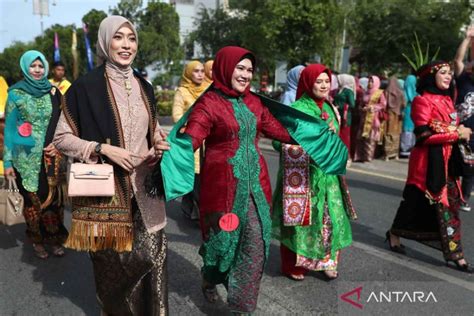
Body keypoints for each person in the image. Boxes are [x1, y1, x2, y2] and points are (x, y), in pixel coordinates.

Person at [158, 47, 347, 314]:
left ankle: (241, 307)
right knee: (222, 246)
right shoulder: (209, 103)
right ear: (226, 68)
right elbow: (193, 137)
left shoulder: (254, 103)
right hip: (222, 191)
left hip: (257, 188)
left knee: (256, 244)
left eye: (249, 70)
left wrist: (315, 132)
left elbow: (281, 130)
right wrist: (174, 150)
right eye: (240, 68)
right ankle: (210, 277)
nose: (246, 75)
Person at [53, 16, 170, 314]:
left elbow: (151, 129)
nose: (126, 45)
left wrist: (158, 142)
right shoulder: (85, 87)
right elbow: (62, 139)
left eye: (131, 38)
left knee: (154, 259)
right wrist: (102, 148)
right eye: (119, 37)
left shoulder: (145, 86)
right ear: (106, 42)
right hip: (104, 193)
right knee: (113, 268)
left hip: (145, 189)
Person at [387, 60, 473, 273]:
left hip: (448, 162)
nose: (448, 77)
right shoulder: (421, 101)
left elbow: (445, 127)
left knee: (451, 207)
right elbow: (424, 136)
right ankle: (395, 233)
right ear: (430, 76)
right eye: (443, 73)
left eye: (449, 73)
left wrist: (457, 130)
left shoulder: (447, 100)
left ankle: (456, 253)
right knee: (413, 203)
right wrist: (456, 134)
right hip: (427, 165)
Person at [272, 64, 356, 281]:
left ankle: (328, 262)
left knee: (330, 218)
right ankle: (295, 264)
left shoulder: (329, 107)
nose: (323, 86)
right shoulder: (298, 109)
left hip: (328, 176)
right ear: (308, 83)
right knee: (301, 222)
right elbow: (277, 140)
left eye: (327, 82)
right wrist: (311, 139)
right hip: (303, 176)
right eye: (318, 81)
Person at [4, 50, 68, 259]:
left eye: (41, 66)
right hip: (26, 159)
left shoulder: (53, 91)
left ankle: (55, 239)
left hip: (53, 157)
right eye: (33, 66)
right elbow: (10, 129)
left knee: (55, 201)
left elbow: (64, 122)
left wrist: (59, 145)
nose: (38, 70)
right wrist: (7, 162)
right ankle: (37, 240)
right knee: (33, 201)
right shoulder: (15, 93)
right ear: (25, 68)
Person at [172, 60, 206, 220]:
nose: (200, 74)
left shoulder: (208, 90)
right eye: (196, 71)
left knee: (204, 178)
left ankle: (192, 210)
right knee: (195, 177)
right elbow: (177, 114)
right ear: (188, 73)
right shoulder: (182, 91)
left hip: (209, 140)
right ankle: (199, 213)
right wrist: (191, 127)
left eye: (202, 71)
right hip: (191, 141)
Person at [454, 25, 474, 212]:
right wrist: (468, 38)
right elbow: (458, 60)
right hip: (456, 129)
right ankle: (451, 193)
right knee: (452, 164)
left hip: (473, 135)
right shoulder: (464, 80)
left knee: (470, 168)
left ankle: (464, 198)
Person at [354, 75, 387, 162]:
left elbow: (383, 104)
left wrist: (372, 107)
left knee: (370, 139)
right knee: (361, 138)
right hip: (363, 118)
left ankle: (368, 157)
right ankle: (359, 156)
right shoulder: (366, 92)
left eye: (372, 81)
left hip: (373, 119)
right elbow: (361, 103)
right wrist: (362, 108)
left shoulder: (379, 93)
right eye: (369, 81)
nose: (370, 83)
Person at [334, 74, 356, 161]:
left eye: (340, 80)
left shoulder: (348, 91)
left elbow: (352, 104)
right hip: (337, 115)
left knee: (344, 137)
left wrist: (340, 106)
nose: (338, 81)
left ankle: (346, 157)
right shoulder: (340, 89)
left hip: (345, 118)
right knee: (338, 135)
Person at [383, 76, 405, 160]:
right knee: (396, 134)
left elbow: (384, 104)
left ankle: (387, 154)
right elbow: (404, 104)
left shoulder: (387, 92)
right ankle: (395, 154)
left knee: (388, 133)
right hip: (398, 117)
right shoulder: (401, 93)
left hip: (389, 116)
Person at [400, 75, 417, 157]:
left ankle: (406, 149)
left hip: (408, 113)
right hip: (410, 113)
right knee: (408, 131)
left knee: (407, 131)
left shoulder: (403, 93)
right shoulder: (415, 93)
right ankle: (407, 149)